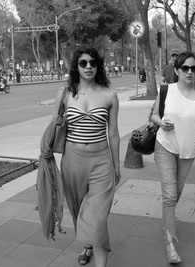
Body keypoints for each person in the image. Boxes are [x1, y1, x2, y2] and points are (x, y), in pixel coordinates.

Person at [52, 45, 121, 267]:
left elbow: (114, 133)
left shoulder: (110, 95)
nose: (88, 66)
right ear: (76, 67)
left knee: (98, 218)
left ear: (98, 65)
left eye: (93, 62)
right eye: (83, 63)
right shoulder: (64, 94)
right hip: (72, 161)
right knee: (79, 209)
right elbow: (54, 127)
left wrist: (116, 165)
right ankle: (87, 245)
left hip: (101, 161)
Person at [150, 51, 195, 264]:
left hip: (188, 152)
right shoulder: (167, 90)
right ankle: (170, 244)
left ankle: (168, 222)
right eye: (185, 68)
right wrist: (161, 123)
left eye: (193, 68)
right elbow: (154, 115)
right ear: (176, 70)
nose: (189, 72)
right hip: (165, 146)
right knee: (168, 195)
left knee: (174, 194)